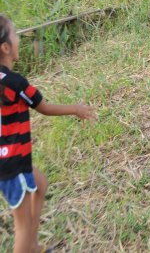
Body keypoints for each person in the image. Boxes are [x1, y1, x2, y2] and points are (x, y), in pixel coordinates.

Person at [0, 14, 96, 253]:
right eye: (15, 34)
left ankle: (33, 247)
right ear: (5, 47)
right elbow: (43, 107)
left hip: (9, 159)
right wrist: (76, 109)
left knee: (40, 184)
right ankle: (27, 247)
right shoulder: (15, 83)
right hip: (12, 161)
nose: (19, 38)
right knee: (21, 225)